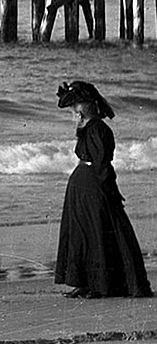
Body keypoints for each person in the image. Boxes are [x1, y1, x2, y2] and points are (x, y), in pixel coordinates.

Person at [54, 81, 152, 299]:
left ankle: (102, 285)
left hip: (91, 185)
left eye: (77, 105)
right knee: (85, 233)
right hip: (82, 186)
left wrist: (110, 189)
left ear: (88, 104)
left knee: (99, 233)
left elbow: (102, 163)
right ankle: (87, 283)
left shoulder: (98, 128)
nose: (74, 111)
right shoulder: (89, 127)